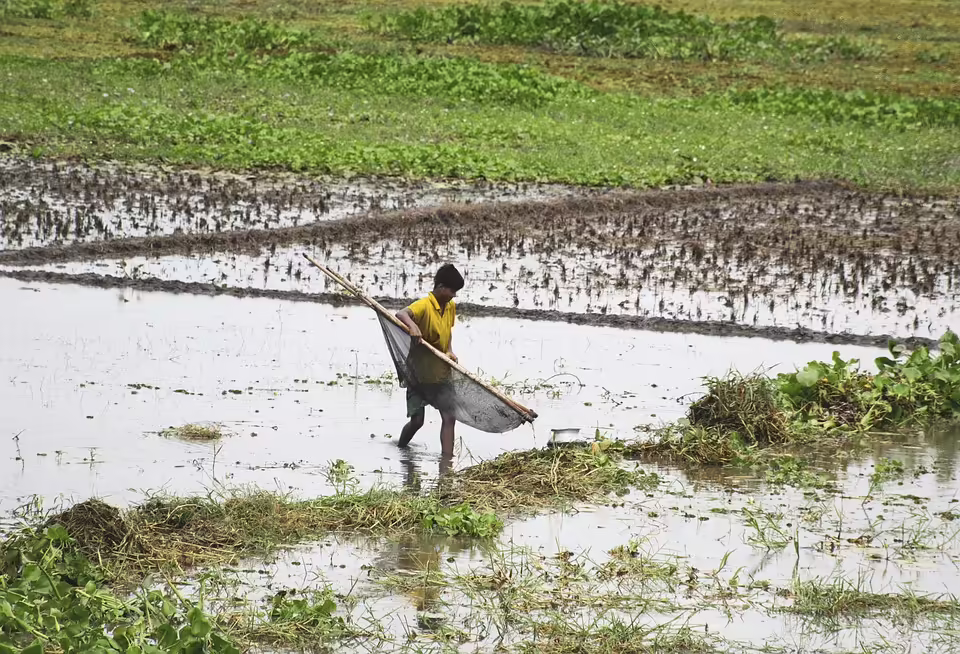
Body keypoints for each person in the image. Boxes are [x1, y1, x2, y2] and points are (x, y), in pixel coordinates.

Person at [395, 263, 464, 457]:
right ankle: (401, 450)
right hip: (420, 374)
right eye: (452, 290)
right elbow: (401, 314)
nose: (454, 295)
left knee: (450, 417)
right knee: (417, 422)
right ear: (441, 287)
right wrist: (413, 327)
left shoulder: (449, 306)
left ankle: (447, 461)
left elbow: (448, 330)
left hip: (441, 372)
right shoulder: (425, 305)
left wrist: (449, 350)